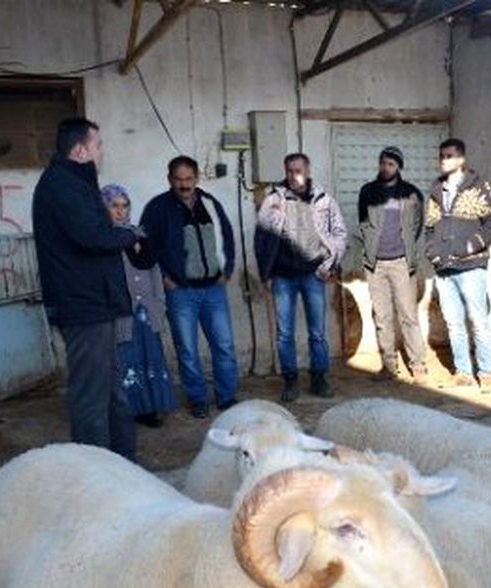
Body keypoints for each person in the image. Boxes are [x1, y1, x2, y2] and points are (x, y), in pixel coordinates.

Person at [32, 117, 143, 460]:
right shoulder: (62, 186)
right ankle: (95, 477)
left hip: (98, 303)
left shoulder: (75, 184)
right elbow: (92, 237)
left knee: (113, 393)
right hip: (84, 307)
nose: (100, 151)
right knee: (92, 398)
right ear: (80, 150)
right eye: (97, 145)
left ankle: (123, 467)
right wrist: (130, 235)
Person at [139, 156, 239, 419]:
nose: (184, 185)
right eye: (178, 179)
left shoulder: (210, 203)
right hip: (180, 292)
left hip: (214, 290)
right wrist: (163, 277)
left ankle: (226, 397)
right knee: (187, 350)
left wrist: (226, 270)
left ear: (197, 178)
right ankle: (197, 399)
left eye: (188, 179)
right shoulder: (157, 208)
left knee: (225, 346)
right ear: (170, 179)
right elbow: (146, 246)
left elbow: (227, 237)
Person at [256, 152, 347, 402]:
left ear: (307, 171)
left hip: (313, 275)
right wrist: (265, 272)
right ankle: (290, 380)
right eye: (289, 171)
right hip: (283, 276)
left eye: (298, 170)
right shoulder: (273, 199)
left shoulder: (324, 200)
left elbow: (339, 233)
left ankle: (319, 378)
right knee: (284, 333)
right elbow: (262, 235)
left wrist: (330, 264)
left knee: (317, 332)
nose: (293, 175)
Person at [423, 138, 491, 391]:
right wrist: (432, 252)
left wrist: (471, 246)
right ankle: (463, 371)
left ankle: (486, 372)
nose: (444, 160)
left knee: (478, 320)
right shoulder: (436, 190)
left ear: (461, 159)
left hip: (471, 266)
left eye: (449, 156)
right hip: (444, 268)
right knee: (453, 322)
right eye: (441, 156)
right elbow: (429, 227)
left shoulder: (478, 187)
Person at [349, 146, 429, 384]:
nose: (386, 167)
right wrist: (372, 247)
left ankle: (418, 364)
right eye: (383, 163)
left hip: (402, 264)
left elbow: (417, 225)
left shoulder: (411, 193)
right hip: (375, 265)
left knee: (408, 315)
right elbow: (363, 221)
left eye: (391, 164)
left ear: (399, 167)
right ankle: (389, 366)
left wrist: (406, 252)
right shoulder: (368, 191)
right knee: (382, 316)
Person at [101, 184, 177, 428]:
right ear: (103, 208)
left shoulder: (140, 236)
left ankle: (150, 408)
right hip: (121, 314)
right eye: (114, 206)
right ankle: (129, 409)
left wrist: (159, 305)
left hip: (147, 312)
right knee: (126, 360)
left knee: (149, 358)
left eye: (125, 206)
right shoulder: (102, 240)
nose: (120, 211)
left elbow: (154, 271)